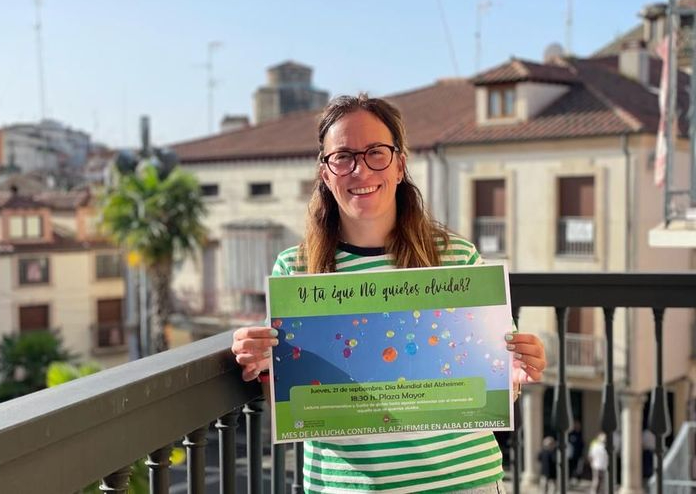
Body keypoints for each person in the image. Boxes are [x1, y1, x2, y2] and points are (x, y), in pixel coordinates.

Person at [231, 94, 547, 493]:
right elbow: (285, 397)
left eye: (376, 153)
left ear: (399, 165)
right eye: (343, 157)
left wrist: (518, 367)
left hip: (463, 483)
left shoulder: (457, 258)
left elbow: (501, 382)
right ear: (326, 173)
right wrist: (257, 357)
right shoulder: (295, 271)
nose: (360, 170)